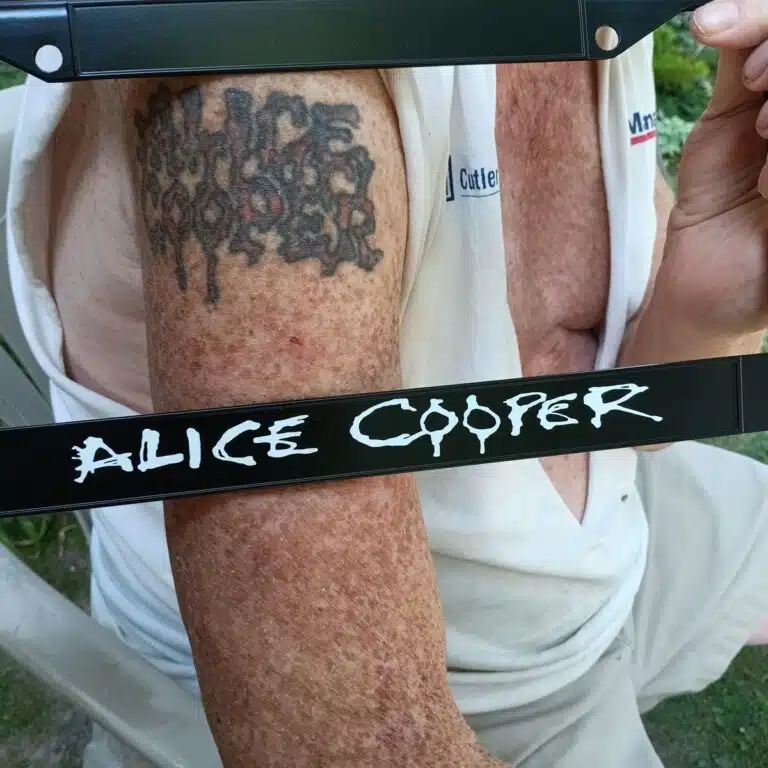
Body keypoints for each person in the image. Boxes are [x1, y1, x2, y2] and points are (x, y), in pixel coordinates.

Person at [4, 1, 768, 764]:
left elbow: (645, 413)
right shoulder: (263, 68)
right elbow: (353, 746)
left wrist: (705, 301)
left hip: (614, 524)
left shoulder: (601, 16)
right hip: (478, 692)